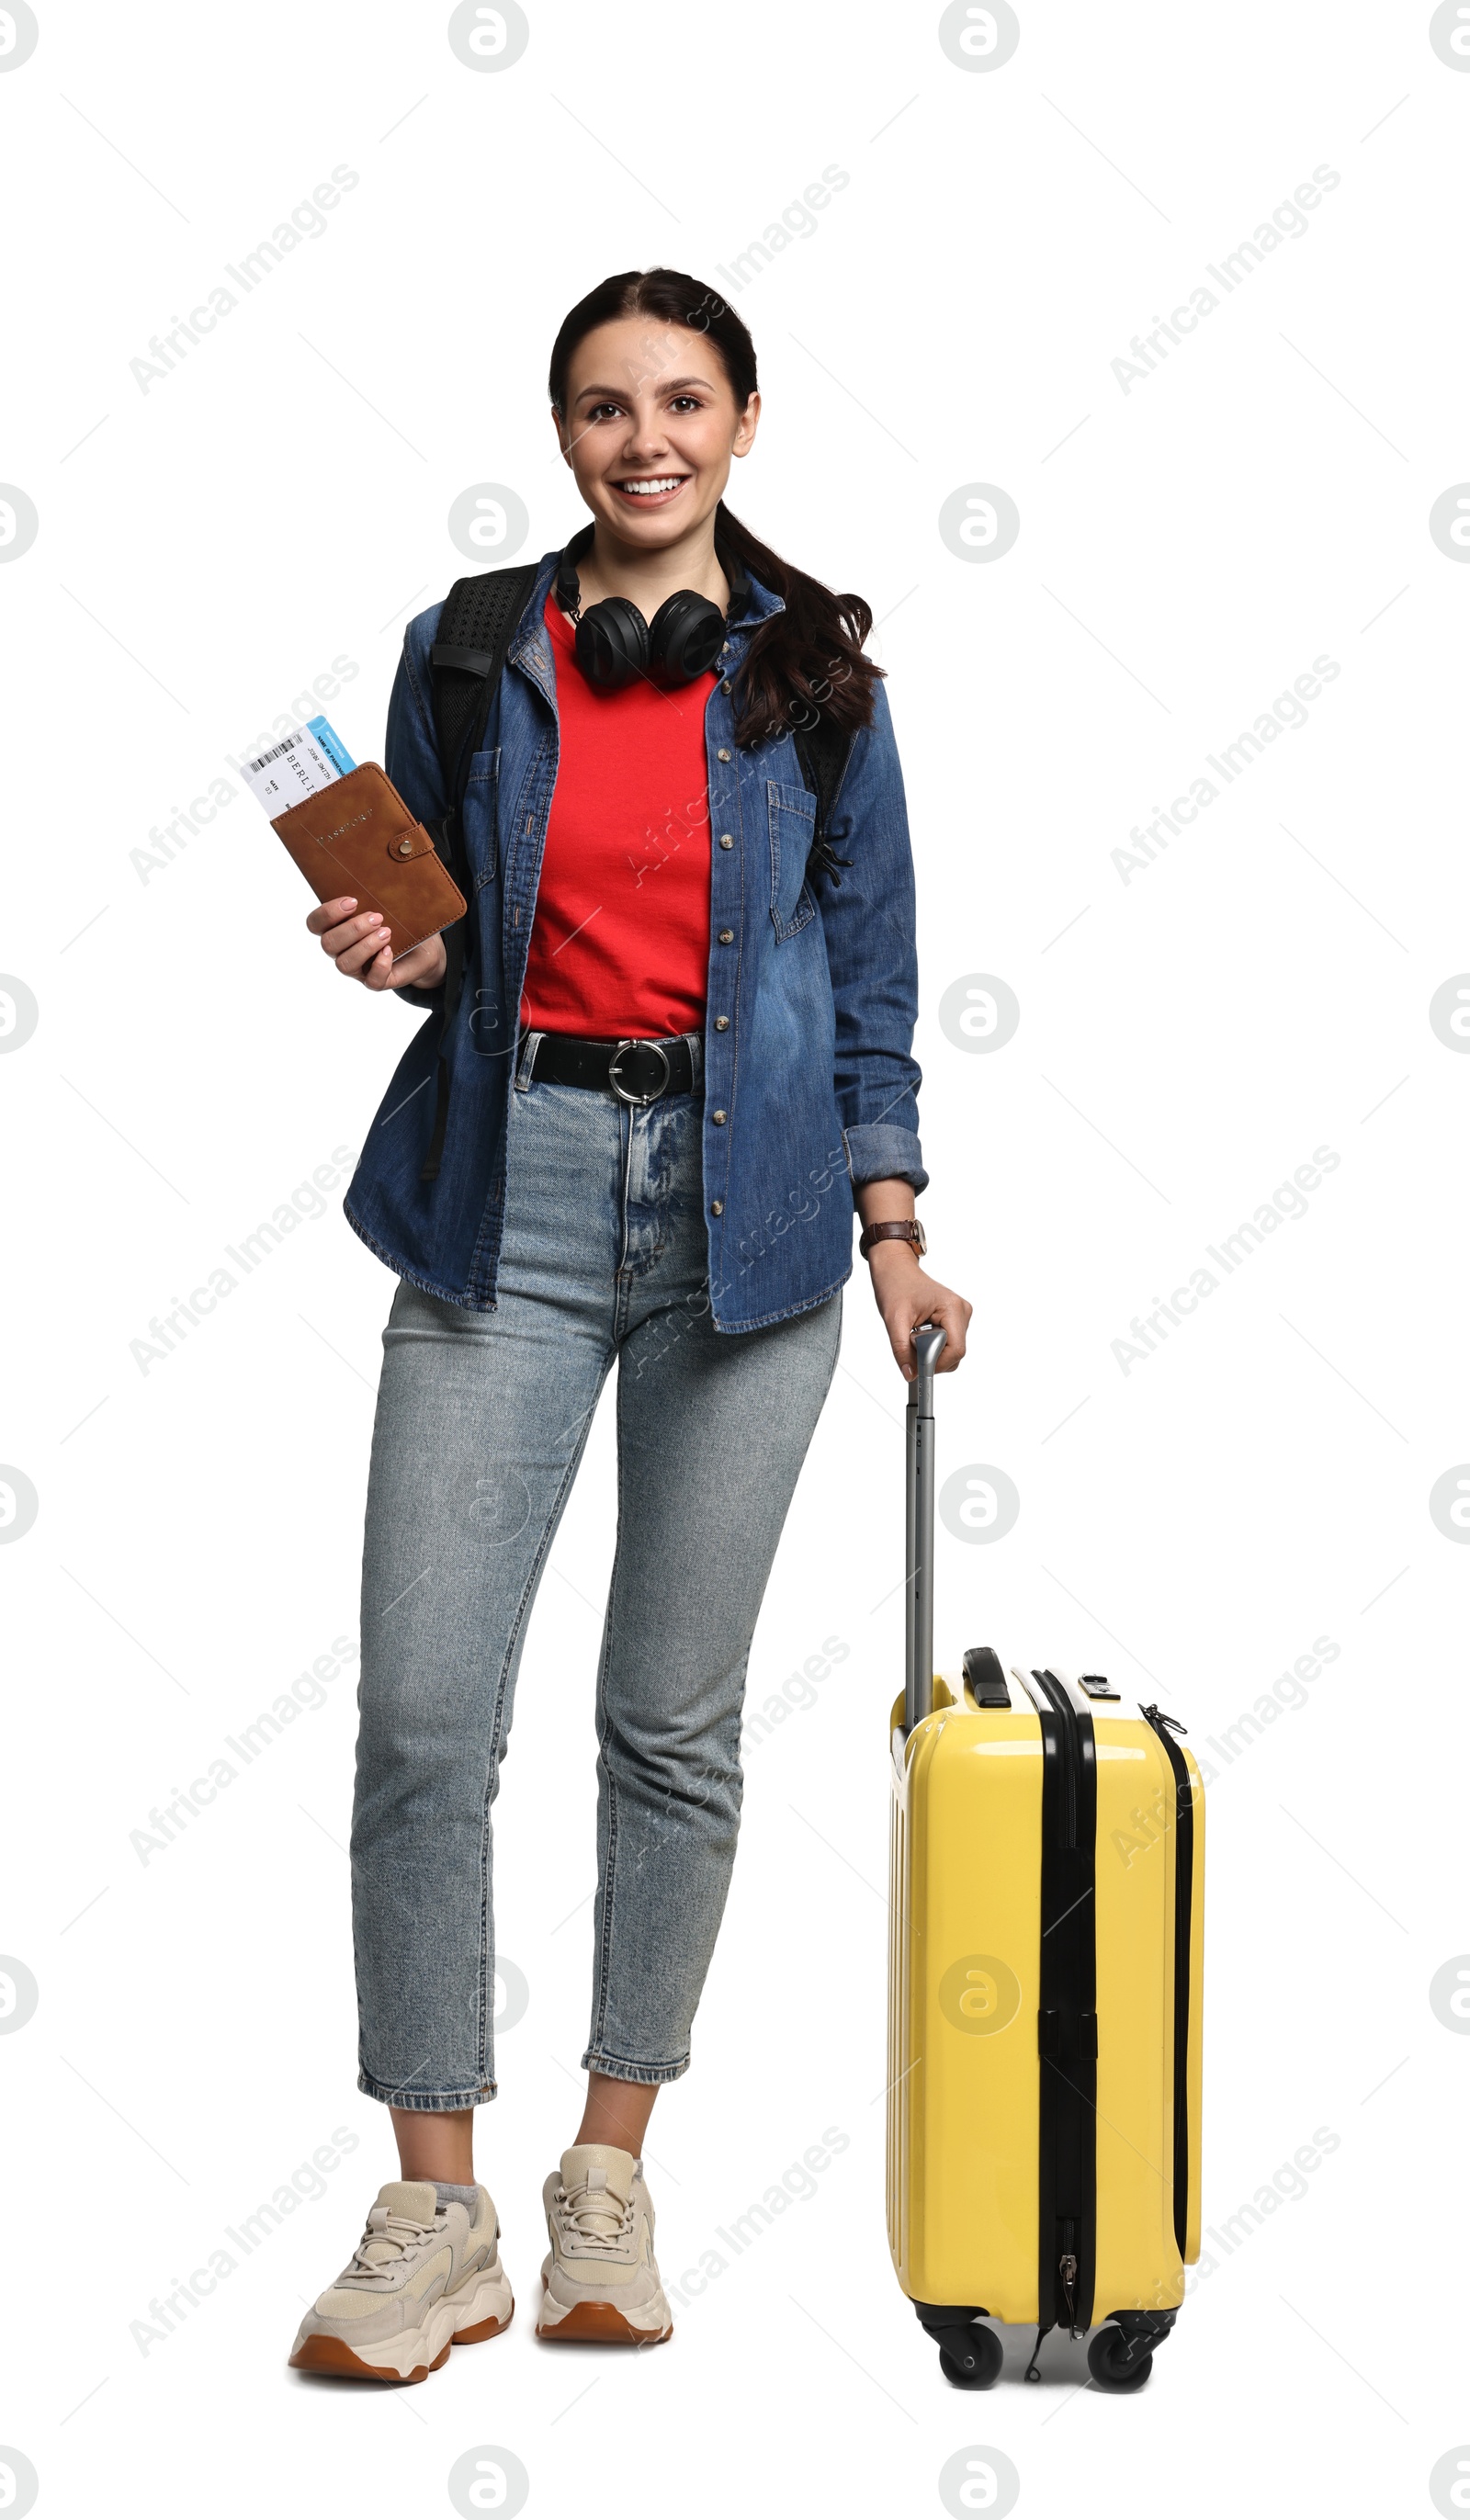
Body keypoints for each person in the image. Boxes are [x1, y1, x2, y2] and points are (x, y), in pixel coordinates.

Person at [287, 266, 970, 2383]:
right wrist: (385, 945)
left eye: (683, 401)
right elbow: (445, 947)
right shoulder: (471, 646)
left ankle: (607, 2172)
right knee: (423, 1717)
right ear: (564, 432)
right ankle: (434, 2201)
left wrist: (893, 1231)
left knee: (667, 1723)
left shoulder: (819, 681)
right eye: (603, 406)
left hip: (751, 1231)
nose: (642, 438)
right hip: (509, 1206)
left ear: (743, 424)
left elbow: (868, 963)